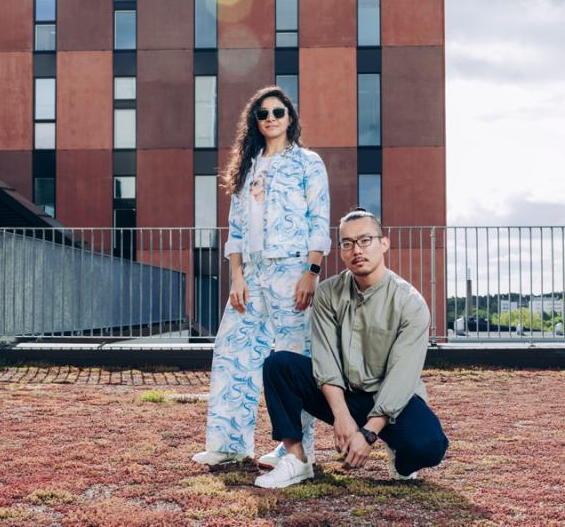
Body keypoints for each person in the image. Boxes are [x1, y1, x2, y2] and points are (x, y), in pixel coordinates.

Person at [254, 208, 449, 488]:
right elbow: (325, 359)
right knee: (279, 365)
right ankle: (296, 459)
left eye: (365, 240)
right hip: (344, 394)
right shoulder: (327, 294)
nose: (357, 250)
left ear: (384, 243)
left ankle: (401, 460)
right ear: (342, 251)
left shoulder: (410, 303)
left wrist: (369, 434)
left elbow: (401, 378)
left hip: (392, 399)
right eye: (347, 243)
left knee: (430, 446)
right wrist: (342, 417)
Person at [191, 86, 330, 468]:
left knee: (291, 359)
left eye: (278, 112)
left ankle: (295, 452)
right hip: (250, 274)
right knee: (233, 354)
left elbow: (319, 221)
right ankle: (229, 444)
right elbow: (235, 229)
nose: (270, 118)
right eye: (263, 113)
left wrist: (312, 271)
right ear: (254, 121)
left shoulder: (307, 163)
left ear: (290, 118)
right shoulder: (247, 166)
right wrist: (236, 276)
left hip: (292, 270)